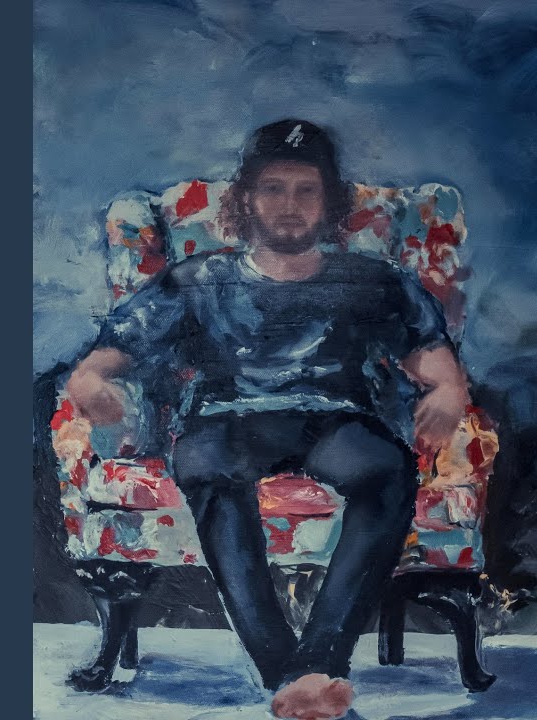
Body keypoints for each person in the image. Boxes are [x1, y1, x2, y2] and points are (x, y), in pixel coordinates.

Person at [65, 119, 471, 720]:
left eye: (306, 190)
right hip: (227, 420)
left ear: (330, 201)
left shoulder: (373, 280)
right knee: (208, 466)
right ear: (246, 199)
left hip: (334, 419)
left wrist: (450, 390)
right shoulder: (196, 280)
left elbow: (435, 364)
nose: (289, 205)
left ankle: (317, 663)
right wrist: (92, 383)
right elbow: (97, 364)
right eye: (273, 189)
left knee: (386, 468)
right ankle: (295, 674)